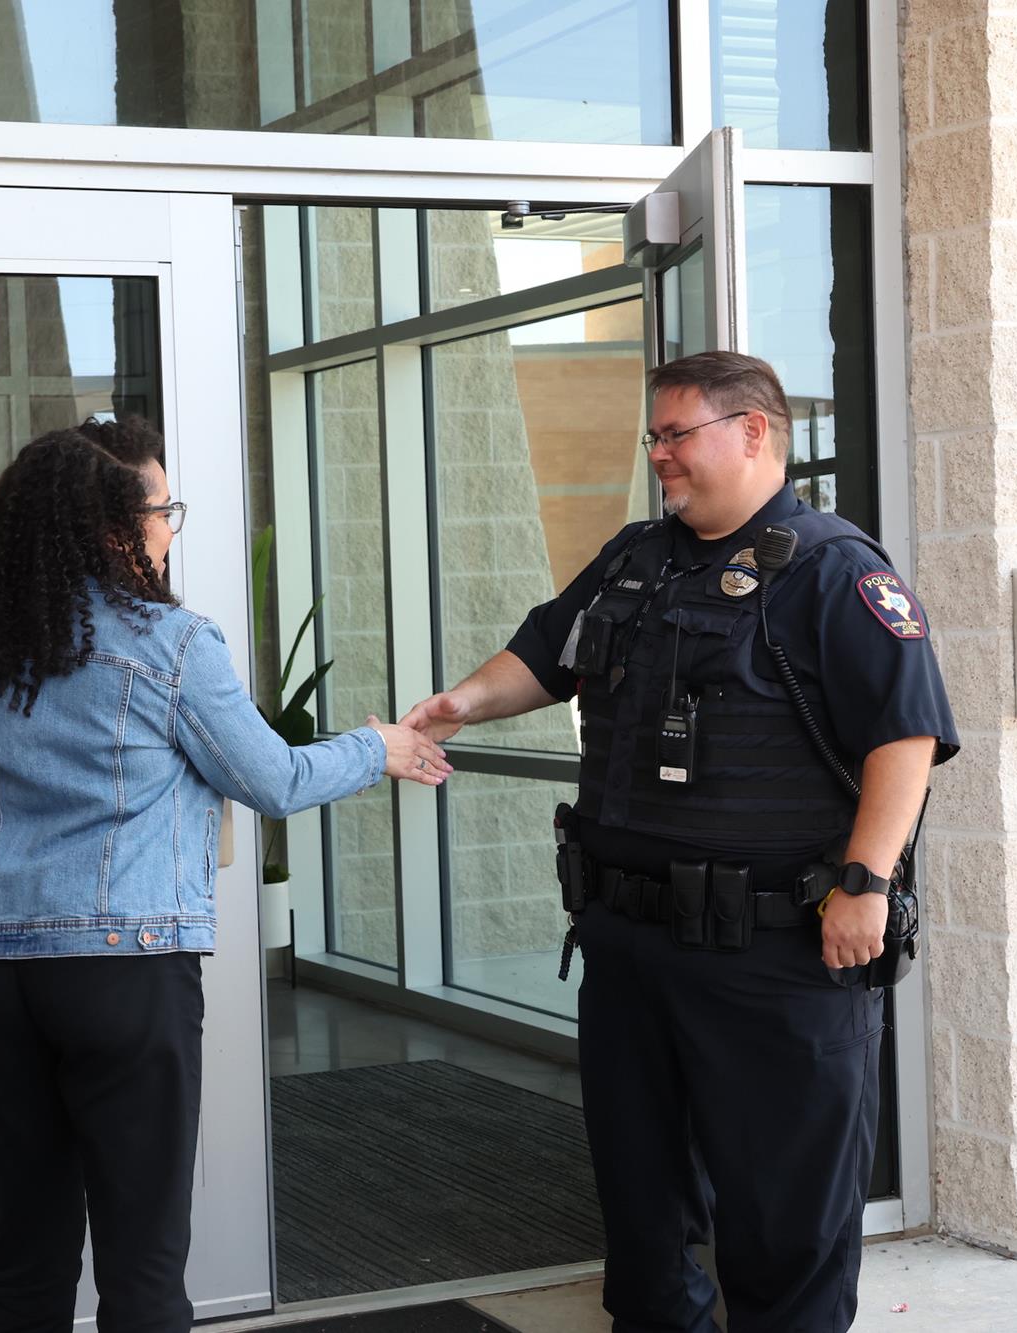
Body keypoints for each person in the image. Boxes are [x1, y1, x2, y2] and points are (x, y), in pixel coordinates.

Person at [401, 352, 959, 1333]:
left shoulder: (833, 570)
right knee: (643, 1214)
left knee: (781, 1217)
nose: (657, 454)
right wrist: (457, 705)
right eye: (652, 436)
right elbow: (544, 654)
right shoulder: (635, 558)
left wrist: (865, 882)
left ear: (753, 433)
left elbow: (902, 735)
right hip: (632, 948)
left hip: (772, 956)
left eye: (675, 434)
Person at [0, 417, 450, 1333]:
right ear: (111, 526)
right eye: (162, 510)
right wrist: (380, 748)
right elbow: (275, 779)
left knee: (26, 1245)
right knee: (142, 1264)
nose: (169, 528)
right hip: (126, 970)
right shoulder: (172, 643)